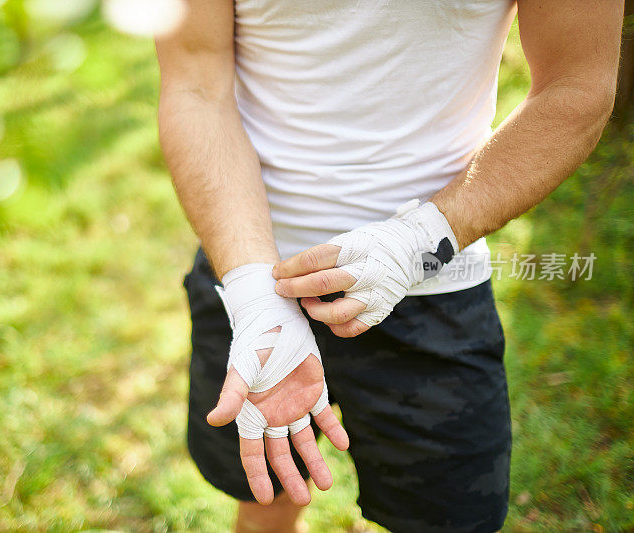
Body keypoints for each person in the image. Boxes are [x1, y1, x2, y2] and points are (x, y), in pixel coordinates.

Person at [155, 1, 623, 531]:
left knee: (448, 522)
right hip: (253, 281)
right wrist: (254, 295)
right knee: (268, 498)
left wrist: (417, 241)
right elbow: (195, 86)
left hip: (434, 282)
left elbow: (576, 85)